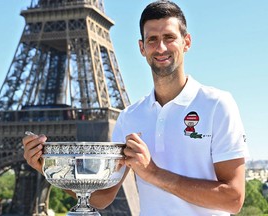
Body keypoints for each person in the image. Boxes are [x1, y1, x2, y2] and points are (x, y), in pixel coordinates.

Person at [23, 1, 249, 215]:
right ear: (142, 47)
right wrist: (50, 169)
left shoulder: (217, 104)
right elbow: (102, 198)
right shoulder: (130, 116)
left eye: (169, 37)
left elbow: (234, 199)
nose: (160, 47)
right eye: (152, 39)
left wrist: (153, 173)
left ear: (186, 42)